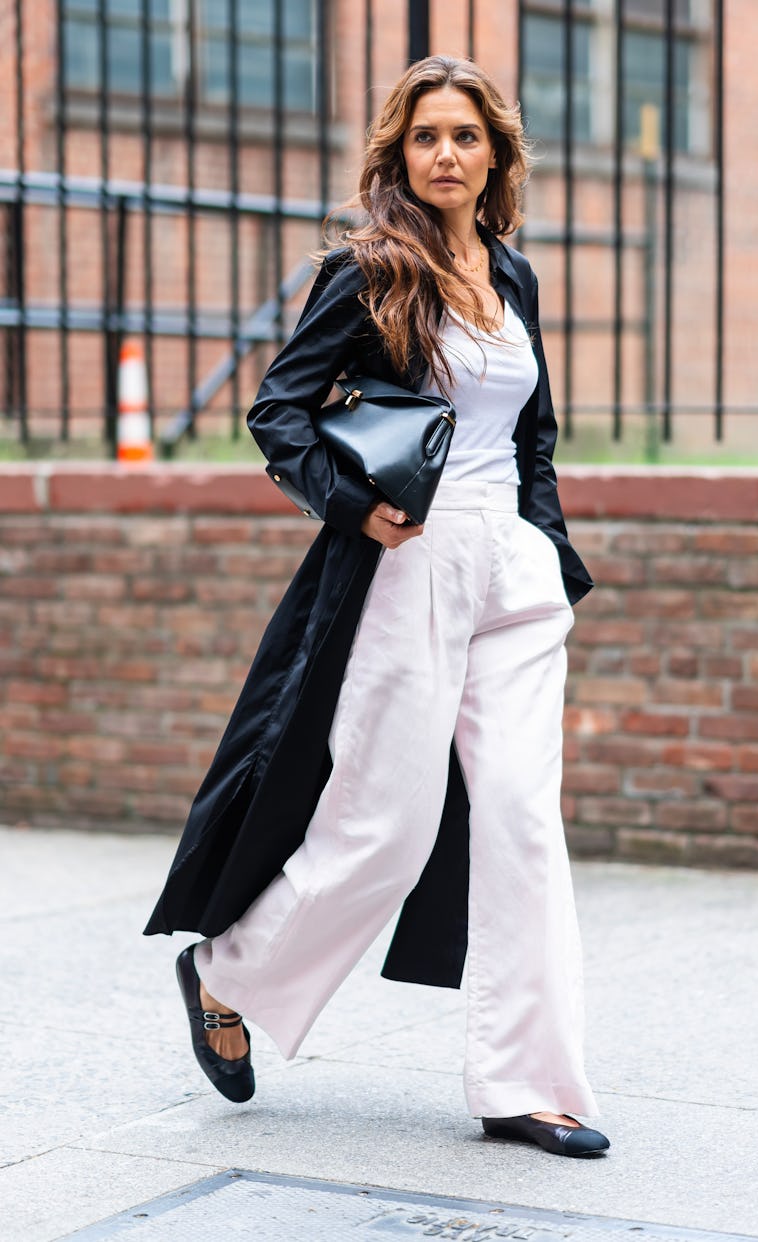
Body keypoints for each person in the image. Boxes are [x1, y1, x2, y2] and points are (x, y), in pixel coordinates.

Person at [145, 54, 609, 1159]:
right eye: (423, 137)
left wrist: (544, 544)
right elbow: (280, 412)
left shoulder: (513, 275)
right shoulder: (368, 271)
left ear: (494, 151)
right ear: (400, 155)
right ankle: (225, 972)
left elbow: (531, 433)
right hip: (415, 562)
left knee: (520, 825)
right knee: (386, 824)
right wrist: (356, 508)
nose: (445, 153)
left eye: (464, 135)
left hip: (516, 576)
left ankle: (526, 1084)